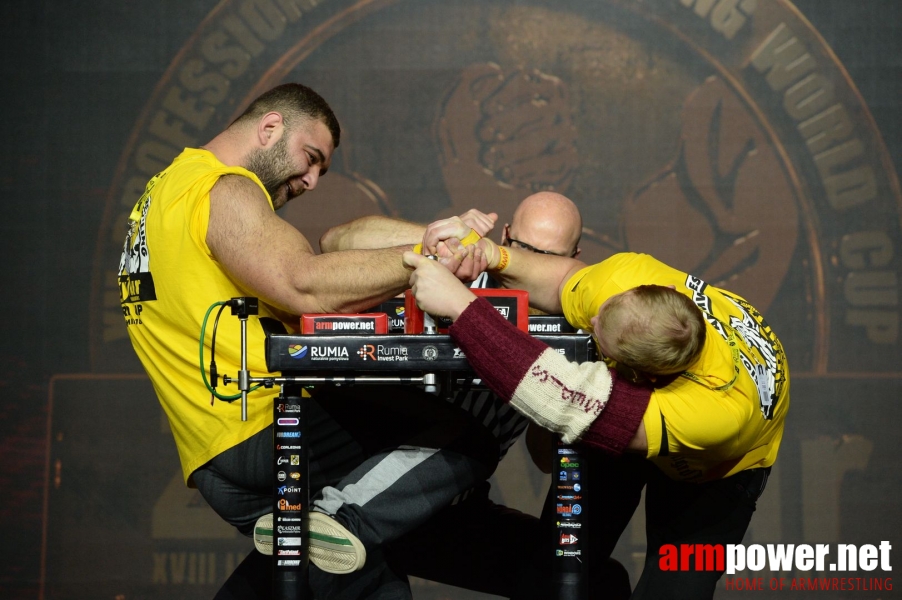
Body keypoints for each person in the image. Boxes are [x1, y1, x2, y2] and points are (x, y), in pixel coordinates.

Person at [117, 83, 501, 600]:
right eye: (310, 158)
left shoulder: (159, 197)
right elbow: (304, 284)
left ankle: (321, 529)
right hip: (268, 428)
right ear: (270, 127)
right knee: (464, 437)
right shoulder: (222, 188)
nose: (313, 180)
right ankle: (336, 517)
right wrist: (426, 259)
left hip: (211, 463)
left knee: (368, 582)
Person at [403, 220, 789, 599]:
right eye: (603, 313)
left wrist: (461, 308)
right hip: (639, 405)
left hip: (718, 469)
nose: (590, 321)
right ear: (658, 291)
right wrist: (491, 254)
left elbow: (565, 403)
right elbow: (563, 280)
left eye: (598, 337)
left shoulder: (717, 412)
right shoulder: (626, 278)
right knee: (553, 572)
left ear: (641, 378)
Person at [319, 193, 631, 599]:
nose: (529, 262)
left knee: (601, 580)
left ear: (573, 259)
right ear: (504, 238)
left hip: (455, 508)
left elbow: (543, 458)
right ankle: (330, 523)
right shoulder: (458, 268)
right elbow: (335, 242)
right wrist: (441, 240)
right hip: (380, 481)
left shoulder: (570, 323)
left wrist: (566, 386)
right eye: (521, 248)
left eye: (548, 256)